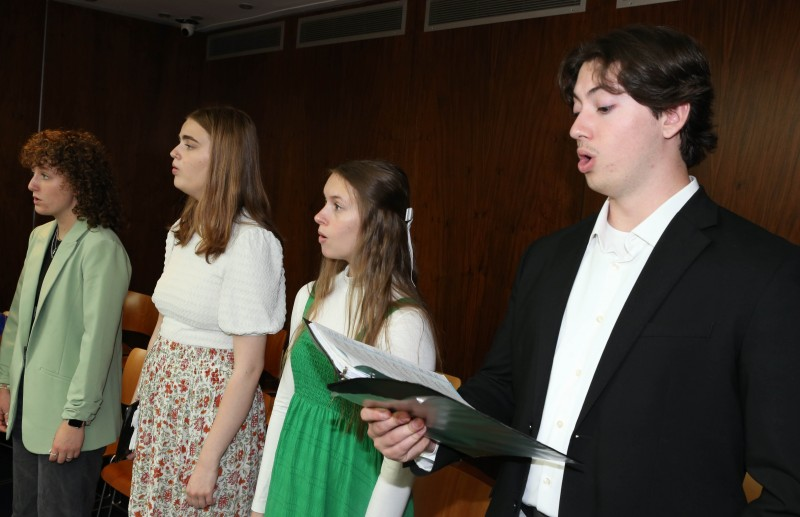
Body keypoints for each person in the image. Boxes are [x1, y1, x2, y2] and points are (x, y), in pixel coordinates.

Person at [362, 24, 800, 517]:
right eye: (576, 108)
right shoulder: (547, 257)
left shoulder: (764, 273)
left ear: (673, 114)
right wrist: (426, 428)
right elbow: (504, 389)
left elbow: (789, 488)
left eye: (603, 107)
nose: (576, 127)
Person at [250, 160, 437, 517]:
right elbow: (287, 400)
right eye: (324, 203)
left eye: (337, 206)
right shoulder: (309, 295)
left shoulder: (404, 322)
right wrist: (261, 503)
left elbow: (398, 462)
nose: (320, 216)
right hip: (293, 476)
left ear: (377, 223)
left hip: (353, 489)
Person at [129, 106, 286, 516]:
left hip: (208, 421)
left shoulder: (251, 243)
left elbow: (249, 369)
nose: (173, 152)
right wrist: (143, 413)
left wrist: (207, 460)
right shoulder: (182, 232)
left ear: (224, 162)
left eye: (189, 143)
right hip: (167, 410)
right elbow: (165, 322)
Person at [0, 129, 131, 516]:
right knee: (24, 510)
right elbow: (19, 316)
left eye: (44, 175)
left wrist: (76, 418)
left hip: (70, 417)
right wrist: (5, 381)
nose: (31, 184)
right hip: (29, 405)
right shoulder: (40, 237)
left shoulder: (102, 247)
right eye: (34, 173)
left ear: (77, 183)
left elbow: (98, 345)